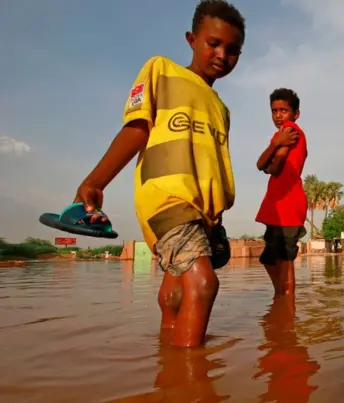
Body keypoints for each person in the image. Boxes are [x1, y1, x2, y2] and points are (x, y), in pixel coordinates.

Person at [72, 0, 246, 348]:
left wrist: (217, 221)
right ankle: (188, 380)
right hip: (165, 197)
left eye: (233, 50)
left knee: (178, 288)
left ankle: (166, 354)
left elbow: (213, 164)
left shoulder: (221, 108)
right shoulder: (161, 70)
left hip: (204, 212)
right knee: (203, 283)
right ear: (191, 39)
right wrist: (94, 182)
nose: (222, 55)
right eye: (214, 43)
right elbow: (137, 129)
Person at [255, 88, 308, 295]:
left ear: (296, 114)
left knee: (285, 261)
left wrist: (272, 156)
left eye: (283, 110)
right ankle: (282, 301)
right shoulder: (280, 136)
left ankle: (286, 310)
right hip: (278, 203)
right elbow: (261, 164)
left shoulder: (290, 130)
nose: (278, 115)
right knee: (269, 258)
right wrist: (275, 146)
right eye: (274, 111)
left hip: (289, 202)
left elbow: (272, 167)